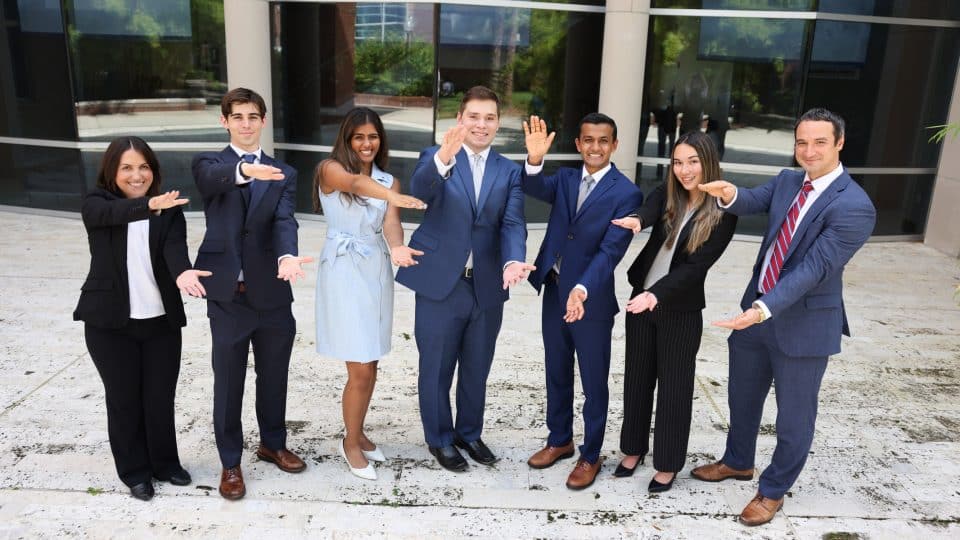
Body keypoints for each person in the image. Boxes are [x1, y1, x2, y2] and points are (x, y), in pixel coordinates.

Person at [693, 108, 876, 526]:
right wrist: (728, 194)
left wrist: (760, 309)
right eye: (801, 142)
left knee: (794, 417)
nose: (808, 151)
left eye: (819, 142)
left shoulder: (854, 206)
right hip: (757, 315)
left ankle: (773, 489)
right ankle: (738, 460)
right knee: (742, 397)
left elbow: (814, 269)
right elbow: (754, 200)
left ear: (840, 143)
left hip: (803, 325)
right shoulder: (789, 180)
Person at [395, 86, 535, 472]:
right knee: (437, 366)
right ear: (461, 119)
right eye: (474, 116)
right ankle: (439, 437)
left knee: (477, 366)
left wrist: (513, 260)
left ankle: (469, 432)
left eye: (490, 117)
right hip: (442, 282)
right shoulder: (435, 157)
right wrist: (444, 156)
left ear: (497, 123)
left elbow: (513, 222)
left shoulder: (508, 171)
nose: (482, 124)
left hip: (487, 284)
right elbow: (421, 192)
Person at [192, 87, 314, 500]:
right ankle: (230, 463)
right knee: (228, 383)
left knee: (274, 375)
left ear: (263, 121)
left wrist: (287, 256)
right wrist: (245, 172)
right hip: (228, 295)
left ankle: (273, 443)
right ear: (225, 121)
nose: (246, 124)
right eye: (238, 117)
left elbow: (285, 221)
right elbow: (213, 182)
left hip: (273, 292)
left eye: (253, 116)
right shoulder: (210, 164)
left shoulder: (283, 172)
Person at [74, 136, 209, 501]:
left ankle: (165, 464)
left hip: (160, 323)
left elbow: (174, 250)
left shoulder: (170, 210)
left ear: (154, 170)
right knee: (123, 400)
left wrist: (183, 273)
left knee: (159, 398)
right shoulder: (97, 203)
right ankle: (135, 471)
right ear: (112, 171)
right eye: (128, 168)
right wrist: (149, 205)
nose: (137, 175)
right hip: (109, 324)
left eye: (144, 167)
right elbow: (110, 215)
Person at [609, 131, 737, 493]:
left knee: (674, 388)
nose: (684, 170)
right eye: (678, 162)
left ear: (708, 163)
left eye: (693, 162)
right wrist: (637, 220)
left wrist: (657, 296)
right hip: (641, 299)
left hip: (679, 309)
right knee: (636, 378)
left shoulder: (723, 214)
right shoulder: (668, 193)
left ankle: (667, 463)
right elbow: (648, 208)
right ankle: (633, 449)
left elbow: (696, 268)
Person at [522, 113, 643, 490]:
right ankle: (560, 439)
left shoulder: (627, 193)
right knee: (556, 370)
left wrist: (582, 289)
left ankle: (591, 454)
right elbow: (531, 185)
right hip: (555, 290)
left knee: (594, 382)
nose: (595, 147)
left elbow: (610, 253)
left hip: (590, 301)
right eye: (588, 140)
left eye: (603, 140)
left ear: (614, 145)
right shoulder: (564, 179)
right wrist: (535, 160)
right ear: (578, 144)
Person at [312, 107, 426, 480]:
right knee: (359, 365)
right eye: (358, 136)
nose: (366, 143)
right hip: (344, 270)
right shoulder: (330, 169)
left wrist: (397, 248)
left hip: (375, 268)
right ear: (347, 139)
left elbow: (391, 224)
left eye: (372, 136)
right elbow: (357, 187)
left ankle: (359, 432)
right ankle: (349, 441)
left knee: (371, 360)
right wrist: (397, 197)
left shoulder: (388, 180)